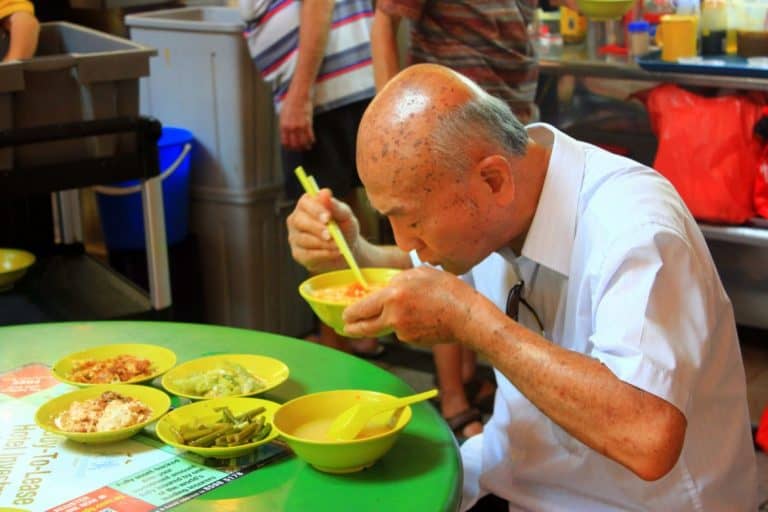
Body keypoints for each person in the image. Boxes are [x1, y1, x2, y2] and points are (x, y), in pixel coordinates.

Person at [286, 63, 758, 510]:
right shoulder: (504, 198)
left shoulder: (635, 229)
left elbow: (648, 438)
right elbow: (414, 266)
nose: (405, 242)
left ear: (492, 180)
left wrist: (473, 321)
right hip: (517, 474)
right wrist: (352, 251)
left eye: (409, 220)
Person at [369, 0, 541, 439]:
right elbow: (386, 19)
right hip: (440, 131)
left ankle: (475, 382)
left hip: (509, 122)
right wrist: (395, 134)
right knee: (437, 248)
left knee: (487, 263)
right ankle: (452, 398)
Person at [240, 0, 383, 357]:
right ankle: (357, 330)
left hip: (326, 89)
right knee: (342, 210)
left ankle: (337, 342)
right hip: (349, 80)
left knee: (321, 218)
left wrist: (299, 96)